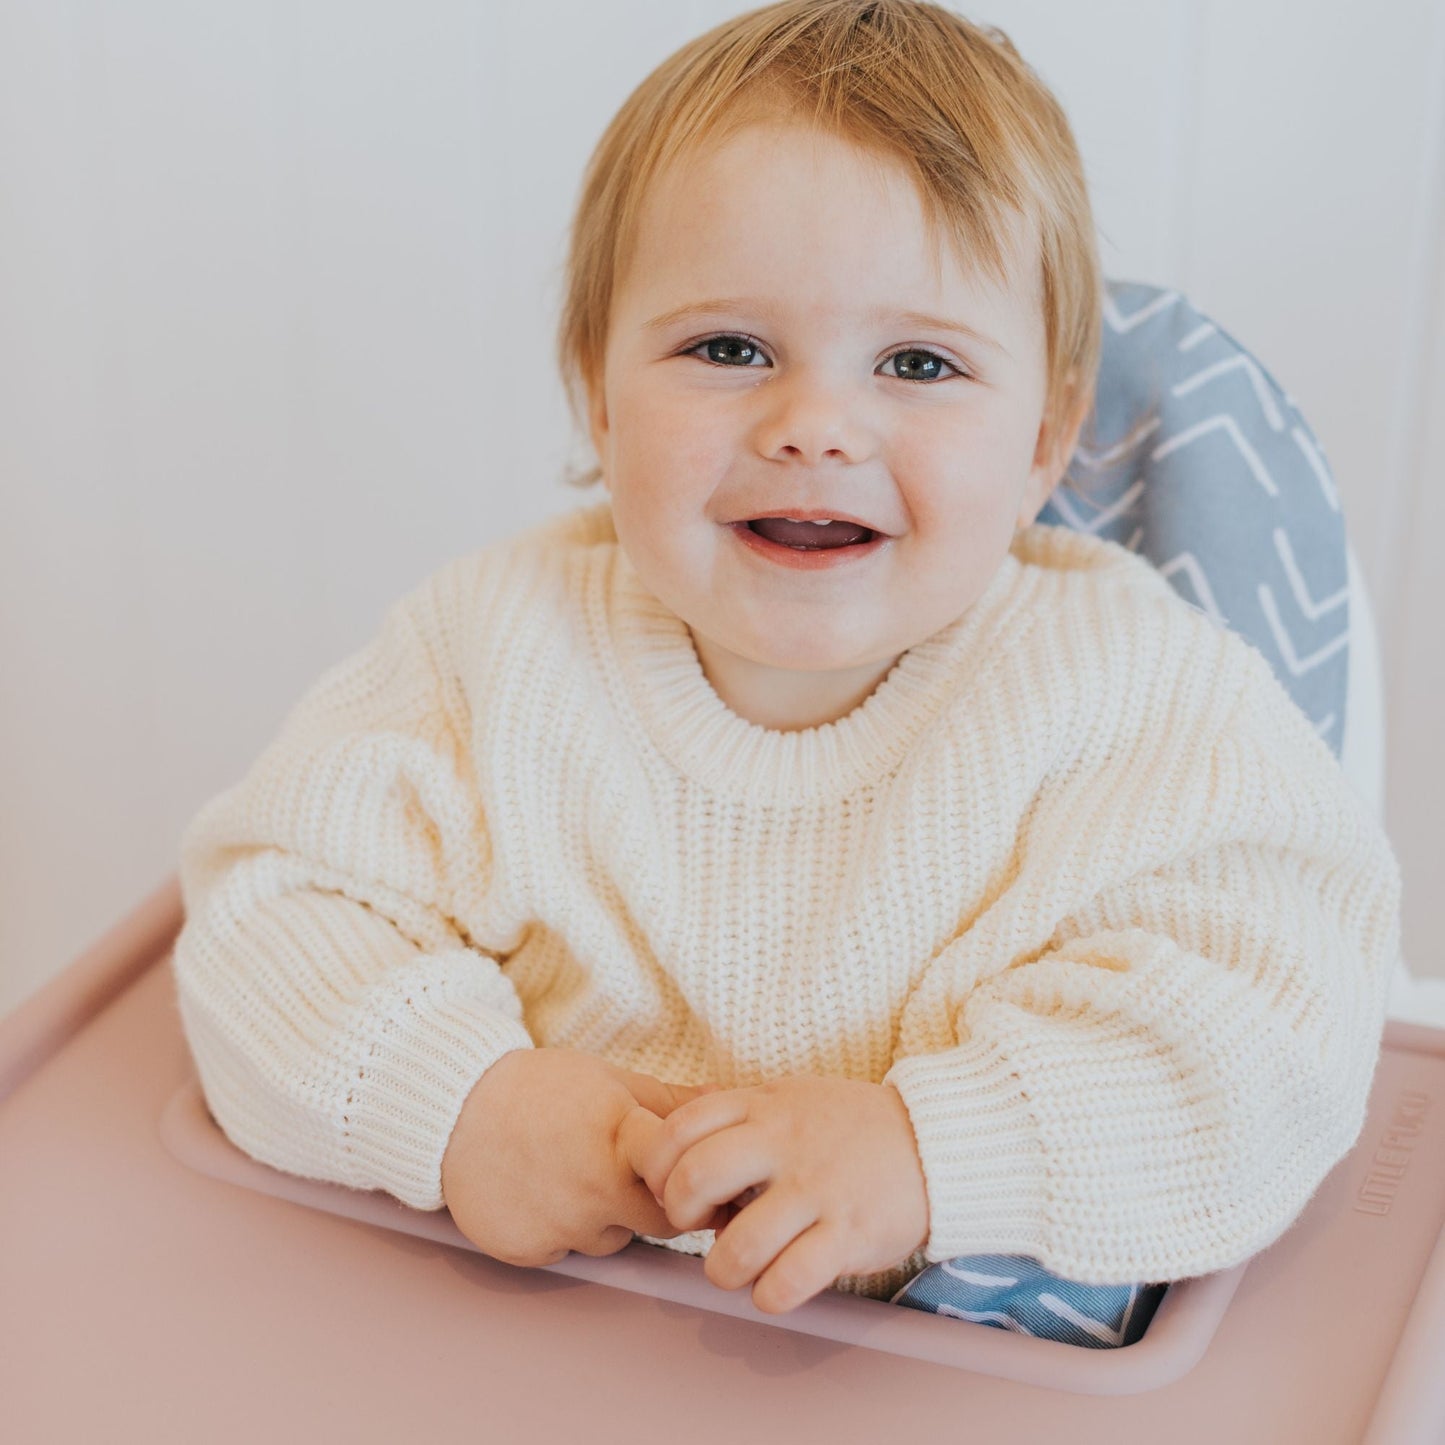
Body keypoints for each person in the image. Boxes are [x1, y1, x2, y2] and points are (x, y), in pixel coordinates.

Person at [170, 0, 1402, 1347]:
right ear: (594, 391)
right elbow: (273, 918)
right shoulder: (492, 651)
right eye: (727, 349)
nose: (814, 424)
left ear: (1046, 440)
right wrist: (458, 1099)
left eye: (918, 362)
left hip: (936, 1377)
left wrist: (932, 1150)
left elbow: (1279, 1035)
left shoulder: (1134, 702)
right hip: (527, 1342)